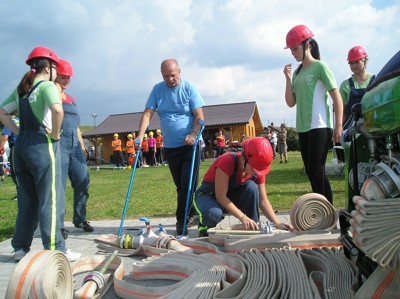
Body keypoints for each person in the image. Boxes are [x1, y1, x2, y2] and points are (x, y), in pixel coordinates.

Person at [0, 46, 80, 262]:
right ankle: (56, 249)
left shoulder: (22, 89)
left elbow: (2, 112)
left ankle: (19, 249)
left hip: (21, 150)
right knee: (50, 200)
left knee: (27, 201)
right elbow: (57, 110)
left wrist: (18, 132)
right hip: (42, 148)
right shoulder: (47, 86)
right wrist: (55, 135)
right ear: (50, 67)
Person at [136, 58, 205, 236]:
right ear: (162, 75)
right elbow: (147, 114)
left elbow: (200, 117)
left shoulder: (189, 89)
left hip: (191, 146)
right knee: (180, 186)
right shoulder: (157, 90)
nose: (170, 79)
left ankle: (181, 222)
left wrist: (193, 134)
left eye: (173, 75)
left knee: (187, 186)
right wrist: (139, 135)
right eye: (166, 76)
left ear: (179, 72)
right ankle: (192, 215)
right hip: (171, 147)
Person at [283, 24, 343, 204]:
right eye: (291, 49)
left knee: (317, 169)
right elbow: (291, 102)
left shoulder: (320, 67)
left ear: (307, 45)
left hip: (320, 126)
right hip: (303, 127)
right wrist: (287, 78)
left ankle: (329, 212)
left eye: (295, 48)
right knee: (310, 170)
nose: (293, 53)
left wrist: (338, 126)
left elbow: (337, 97)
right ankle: (321, 210)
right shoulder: (298, 72)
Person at [193, 137, 294, 237]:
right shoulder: (227, 161)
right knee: (213, 215)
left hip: (229, 196)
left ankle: (252, 227)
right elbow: (221, 196)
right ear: (243, 159)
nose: (256, 172)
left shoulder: (258, 167)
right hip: (209, 196)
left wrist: (276, 223)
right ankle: (203, 224)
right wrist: (242, 217)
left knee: (251, 187)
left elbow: (263, 201)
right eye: (254, 168)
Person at [55, 59, 93, 233]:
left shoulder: (71, 99)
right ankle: (58, 225)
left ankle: (80, 219)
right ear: (55, 75)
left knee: (83, 180)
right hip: (58, 144)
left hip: (75, 146)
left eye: (69, 77)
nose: (67, 80)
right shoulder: (50, 95)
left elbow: (76, 125)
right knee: (59, 186)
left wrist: (82, 146)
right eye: (64, 77)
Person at [0, 111, 19, 199]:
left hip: (16, 147)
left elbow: (5, 137)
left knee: (16, 171)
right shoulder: (20, 120)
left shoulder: (9, 122)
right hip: (27, 147)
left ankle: (20, 194)